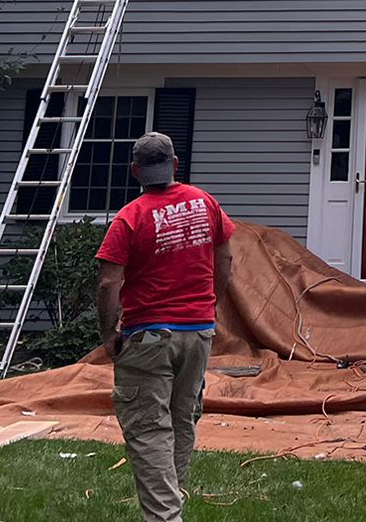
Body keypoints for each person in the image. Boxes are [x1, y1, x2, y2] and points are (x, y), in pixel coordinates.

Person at [96, 132, 235, 522]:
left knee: (148, 429)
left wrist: (109, 335)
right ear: (175, 165)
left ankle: (164, 517)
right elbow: (225, 257)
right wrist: (210, 305)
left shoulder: (130, 217)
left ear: (135, 171)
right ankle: (172, 507)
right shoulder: (205, 203)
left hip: (149, 335)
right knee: (182, 420)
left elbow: (109, 282)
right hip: (198, 332)